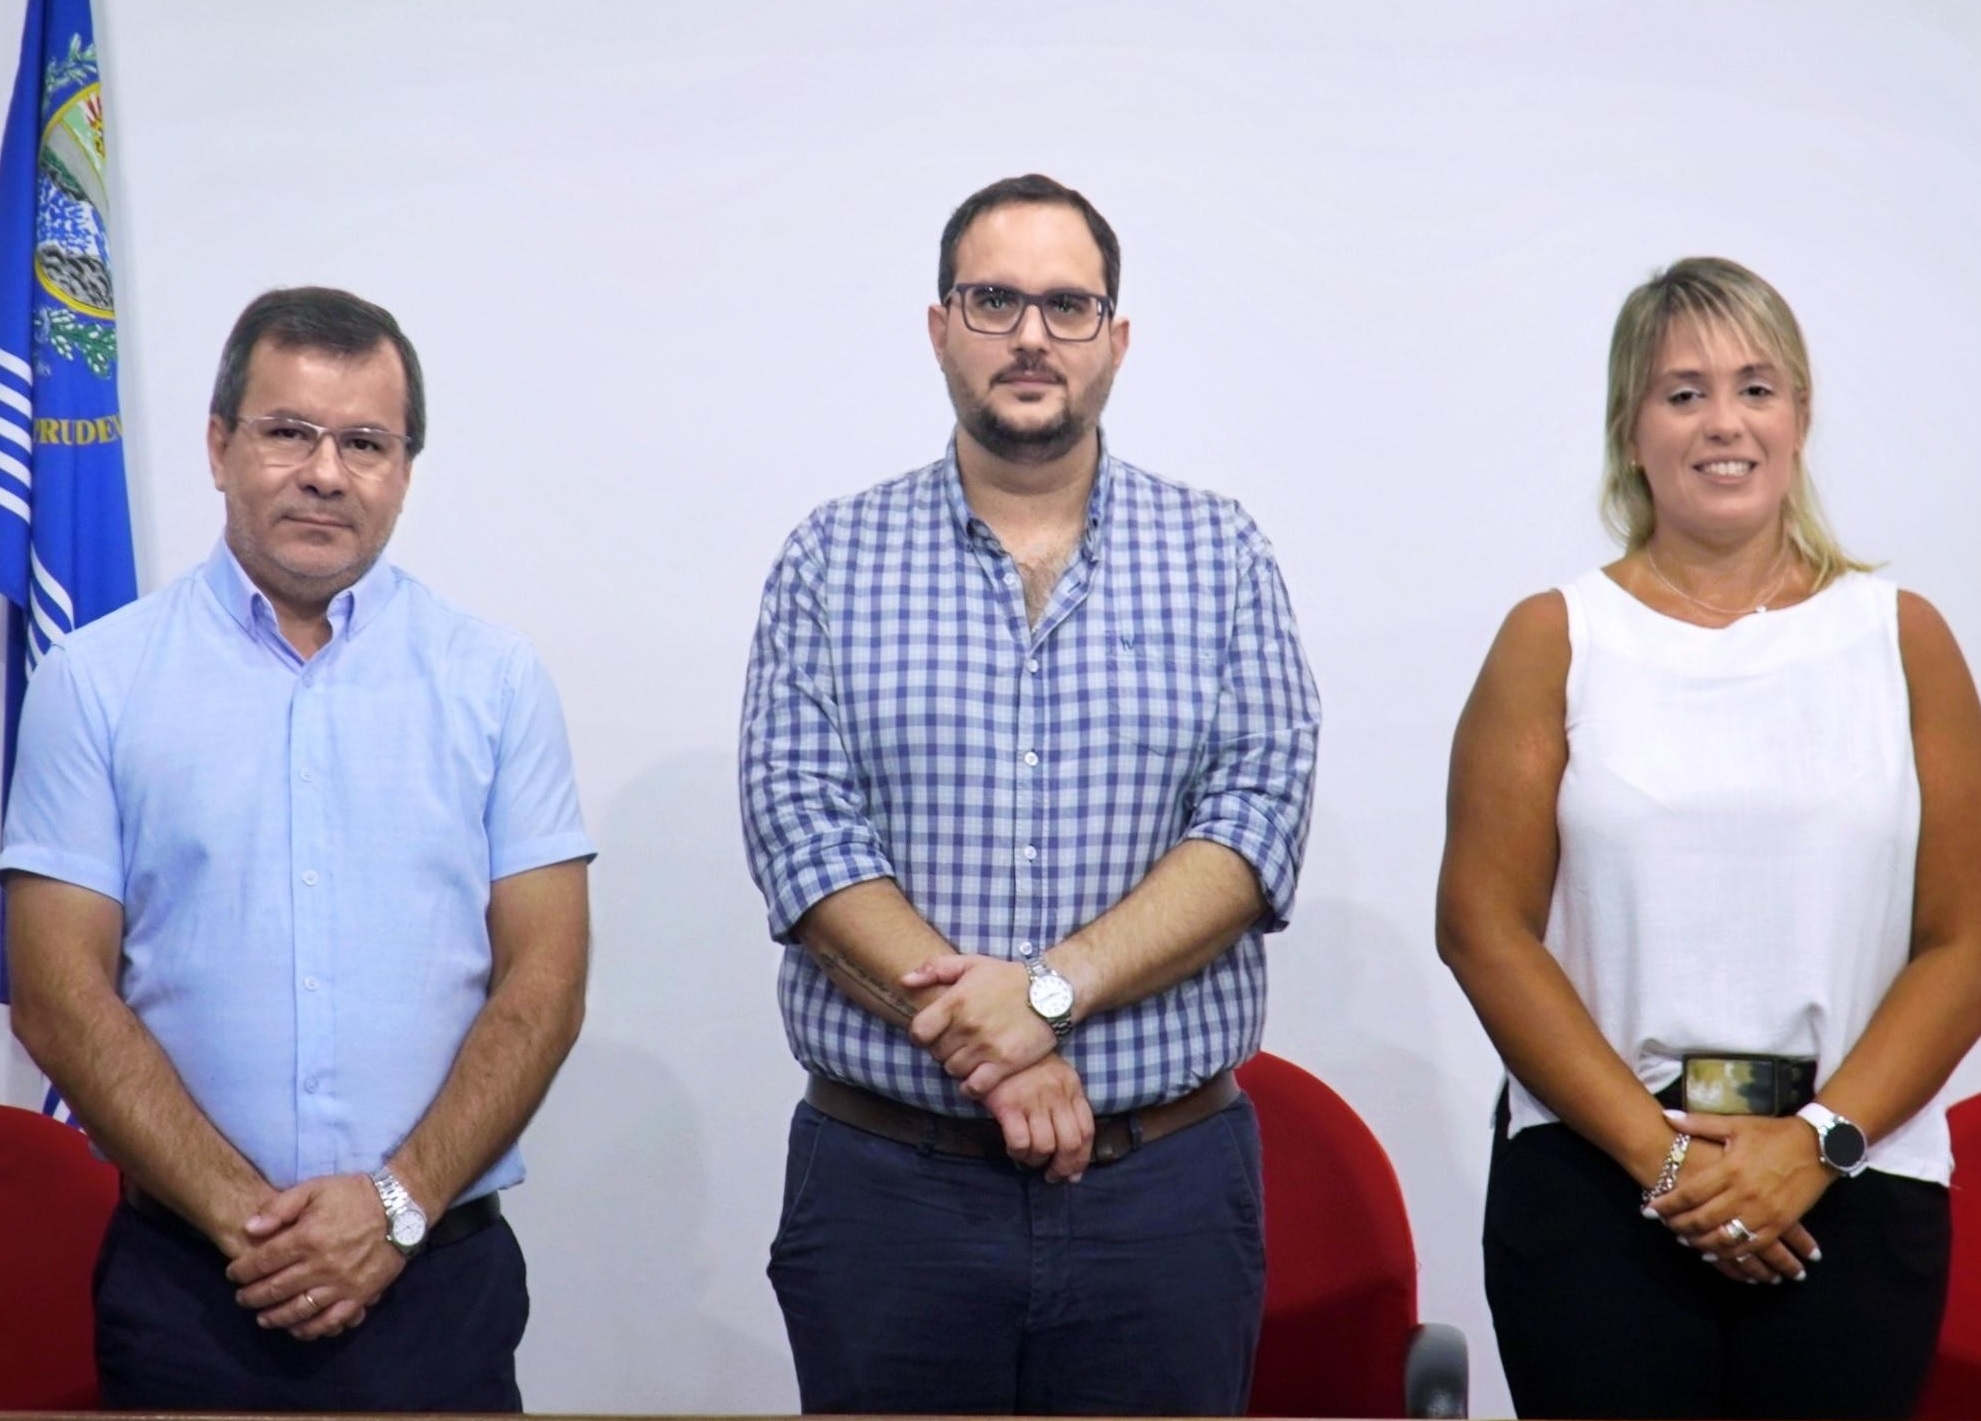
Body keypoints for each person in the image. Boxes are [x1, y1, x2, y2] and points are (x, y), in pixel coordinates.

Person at [739, 173, 1321, 1416]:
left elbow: (1256, 822)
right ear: (940, 326)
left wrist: (1045, 995)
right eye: (994, 300)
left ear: (1116, 338)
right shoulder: (831, 557)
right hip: (891, 1191)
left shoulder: (1219, 554)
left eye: (1067, 305)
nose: (1030, 336)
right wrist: (997, 1051)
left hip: (1158, 1195)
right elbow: (800, 832)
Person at [3, 287, 594, 1412]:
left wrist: (394, 1208)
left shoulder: (495, 682)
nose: (326, 472)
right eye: (288, 431)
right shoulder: (95, 682)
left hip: (437, 1282)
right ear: (219, 445)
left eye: (365, 443)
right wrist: (256, 1227)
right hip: (188, 1286)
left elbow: (547, 981)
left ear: (403, 471)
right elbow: (56, 994)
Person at [1437, 256, 1981, 1419]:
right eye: (1682, 393)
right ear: (1629, 431)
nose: (1722, 422)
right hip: (1599, 1180)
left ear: (1799, 417)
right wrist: (1665, 1157)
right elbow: (1483, 928)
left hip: (1852, 1179)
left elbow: (1965, 941)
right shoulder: (1555, 637)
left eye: (1754, 387)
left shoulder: (1903, 638)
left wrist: (1813, 1143)